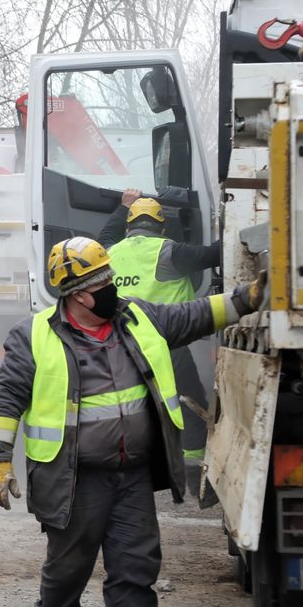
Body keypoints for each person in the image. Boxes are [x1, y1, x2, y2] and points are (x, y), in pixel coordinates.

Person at [0, 237, 264, 607]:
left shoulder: (137, 317)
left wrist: (246, 298)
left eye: (110, 279)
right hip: (73, 479)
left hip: (131, 476)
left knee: (136, 565)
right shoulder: (34, 336)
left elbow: (194, 314)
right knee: (67, 570)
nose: (112, 289)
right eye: (102, 286)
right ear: (77, 296)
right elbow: (6, 397)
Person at [102, 192, 222, 496]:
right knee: (190, 404)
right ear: (162, 227)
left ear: (129, 226)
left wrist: (122, 207)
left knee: (125, 407)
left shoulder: (108, 253)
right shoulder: (169, 252)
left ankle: (126, 468)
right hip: (167, 347)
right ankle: (193, 473)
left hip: (120, 346)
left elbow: (104, 235)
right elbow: (214, 254)